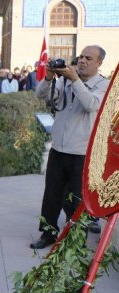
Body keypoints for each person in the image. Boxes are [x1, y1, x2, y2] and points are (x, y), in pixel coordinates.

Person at [29, 45, 109, 249]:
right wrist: (48, 78)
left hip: (82, 153)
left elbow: (91, 104)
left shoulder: (104, 85)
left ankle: (73, 240)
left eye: (88, 58)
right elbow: (41, 96)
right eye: (80, 57)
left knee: (75, 201)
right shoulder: (65, 81)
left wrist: (74, 80)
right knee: (51, 197)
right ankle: (48, 234)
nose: (82, 61)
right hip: (59, 149)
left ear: (99, 63)